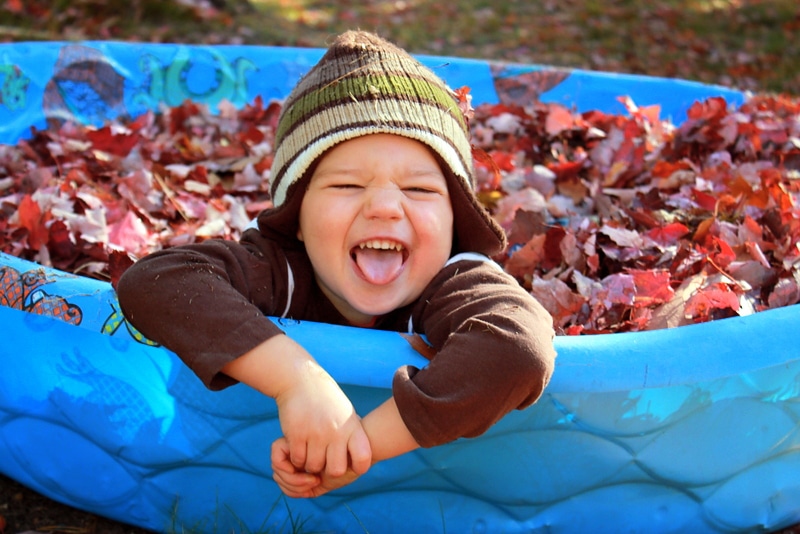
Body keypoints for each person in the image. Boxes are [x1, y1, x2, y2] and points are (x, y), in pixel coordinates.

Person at [117, 30, 556, 498]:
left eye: (420, 190)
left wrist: (354, 445)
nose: (385, 207)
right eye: (347, 185)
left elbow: (518, 348)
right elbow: (156, 279)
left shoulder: (454, 279)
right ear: (299, 218)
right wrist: (295, 380)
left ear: (455, 220)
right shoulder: (281, 268)